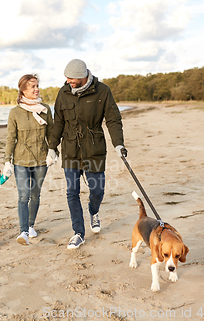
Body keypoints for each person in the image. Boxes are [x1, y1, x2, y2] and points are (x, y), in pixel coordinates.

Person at [48, 59, 127, 250]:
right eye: (66, 78)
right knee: (72, 192)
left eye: (72, 78)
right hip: (70, 149)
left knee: (98, 190)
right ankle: (78, 233)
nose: (68, 82)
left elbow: (113, 119)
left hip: (94, 149)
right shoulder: (63, 93)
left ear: (83, 76)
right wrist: (52, 147)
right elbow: (58, 121)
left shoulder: (102, 91)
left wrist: (118, 144)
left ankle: (94, 211)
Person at [3, 74, 56, 246]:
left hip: (41, 160)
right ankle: (23, 231)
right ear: (23, 90)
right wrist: (7, 160)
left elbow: (52, 134)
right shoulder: (15, 112)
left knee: (35, 195)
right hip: (21, 161)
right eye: (32, 86)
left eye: (37, 85)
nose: (36, 89)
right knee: (23, 196)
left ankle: (31, 225)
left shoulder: (45, 109)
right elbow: (11, 138)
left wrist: (53, 151)